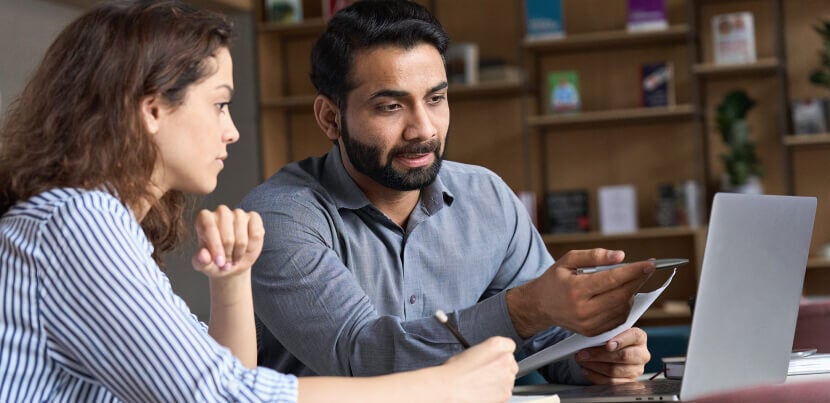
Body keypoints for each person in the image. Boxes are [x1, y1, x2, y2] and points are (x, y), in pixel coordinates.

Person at [0, 1, 519, 402]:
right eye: (220, 104)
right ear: (153, 108)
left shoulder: (92, 224)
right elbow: (222, 396)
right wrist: (441, 387)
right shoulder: (77, 221)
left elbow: (226, 376)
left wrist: (230, 284)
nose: (231, 132)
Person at [242, 0, 655, 385]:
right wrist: (527, 308)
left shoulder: (487, 198)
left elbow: (548, 344)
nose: (424, 129)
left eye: (435, 98)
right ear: (331, 118)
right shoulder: (280, 217)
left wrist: (600, 356)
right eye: (391, 106)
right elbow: (362, 358)